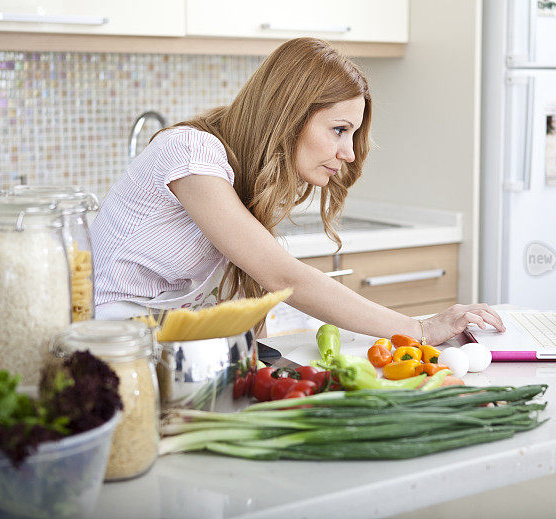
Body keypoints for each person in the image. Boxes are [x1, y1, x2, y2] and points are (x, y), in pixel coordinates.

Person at [91, 37, 504, 345]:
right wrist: (419, 329)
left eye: (353, 133)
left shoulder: (238, 173)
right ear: (288, 116)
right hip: (108, 347)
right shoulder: (191, 152)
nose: (347, 152)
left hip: (158, 346)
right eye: (339, 130)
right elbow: (283, 276)